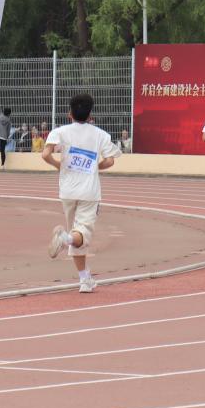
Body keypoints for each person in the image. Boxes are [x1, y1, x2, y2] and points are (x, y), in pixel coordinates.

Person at [44, 93, 122, 293]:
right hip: (89, 192)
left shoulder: (60, 132)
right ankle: (64, 240)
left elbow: (45, 154)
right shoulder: (100, 135)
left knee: (76, 234)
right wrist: (96, 167)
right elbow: (110, 160)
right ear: (90, 115)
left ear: (69, 113)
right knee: (81, 235)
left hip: (67, 191)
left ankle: (85, 279)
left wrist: (58, 165)